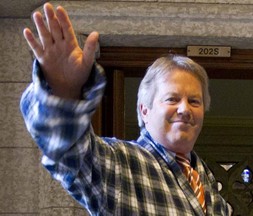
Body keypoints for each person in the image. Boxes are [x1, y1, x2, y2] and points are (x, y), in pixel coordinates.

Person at [20, 3, 228, 216]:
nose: (184, 109)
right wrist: (63, 91)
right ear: (144, 111)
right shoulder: (121, 165)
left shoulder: (206, 182)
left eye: (194, 101)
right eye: (172, 99)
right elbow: (69, 151)